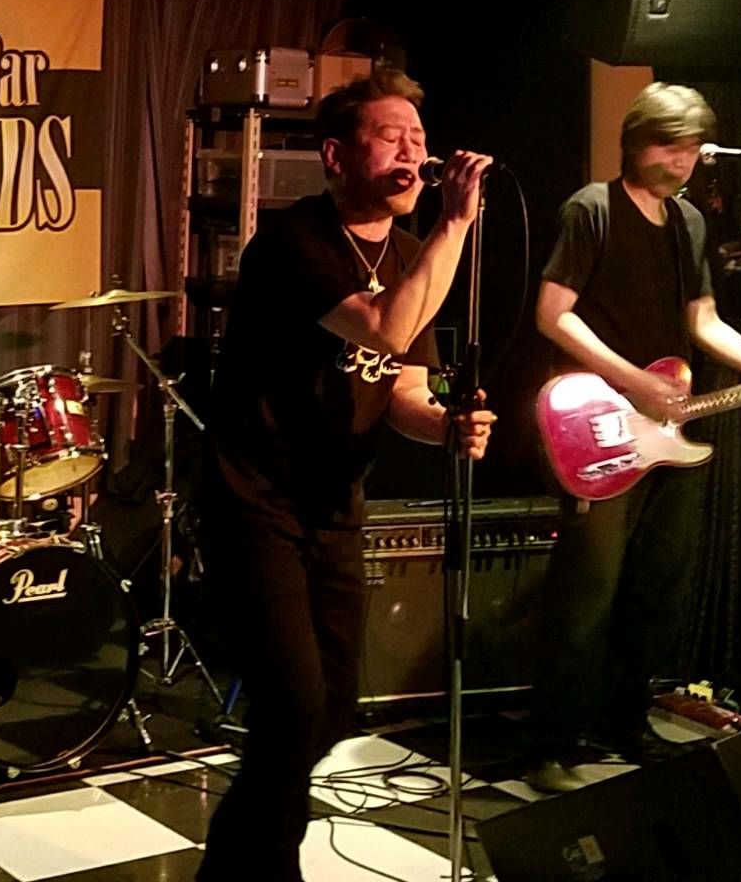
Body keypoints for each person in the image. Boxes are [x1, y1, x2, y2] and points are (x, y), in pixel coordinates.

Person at [197, 69, 495, 882]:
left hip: (336, 505)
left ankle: (233, 870)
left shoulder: (413, 254)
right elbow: (386, 328)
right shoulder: (294, 242)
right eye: (391, 136)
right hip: (255, 499)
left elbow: (404, 391)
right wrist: (457, 221)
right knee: (292, 704)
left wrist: (447, 426)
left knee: (330, 710)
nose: (413, 151)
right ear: (336, 154)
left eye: (419, 138)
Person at [522, 82, 741, 794]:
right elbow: (553, 313)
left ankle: (623, 723)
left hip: (669, 428)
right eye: (671, 146)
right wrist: (633, 379)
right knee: (586, 594)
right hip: (598, 422)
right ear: (637, 143)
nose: (683, 160)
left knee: (658, 587)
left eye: (692, 148)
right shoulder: (592, 209)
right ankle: (550, 745)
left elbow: (704, 322)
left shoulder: (688, 222)